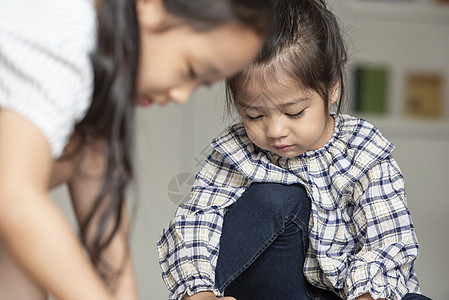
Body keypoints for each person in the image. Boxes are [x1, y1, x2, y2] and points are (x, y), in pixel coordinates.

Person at [0, 0, 276, 299]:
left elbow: (107, 244)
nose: (182, 95)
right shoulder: (65, 36)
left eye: (201, 83)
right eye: (191, 69)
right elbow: (14, 197)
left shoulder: (95, 82)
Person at [157, 0, 431, 299]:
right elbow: (197, 219)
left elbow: (388, 239)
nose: (275, 131)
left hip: (348, 291)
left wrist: (367, 294)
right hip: (267, 286)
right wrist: (198, 291)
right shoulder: (235, 149)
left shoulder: (363, 148)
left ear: (332, 89)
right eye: (255, 116)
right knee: (278, 197)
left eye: (294, 113)